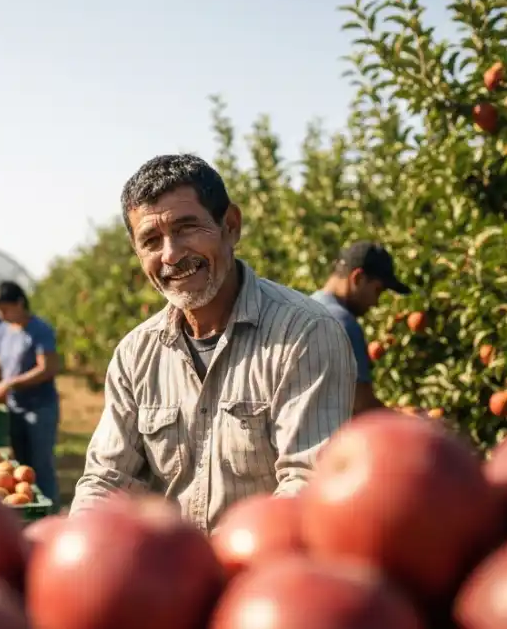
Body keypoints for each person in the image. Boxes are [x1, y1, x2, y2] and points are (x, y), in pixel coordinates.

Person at [70, 154, 357, 531]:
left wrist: (227, 558)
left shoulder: (303, 334)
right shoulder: (135, 355)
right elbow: (106, 478)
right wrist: (84, 544)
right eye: (151, 241)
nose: (171, 254)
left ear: (231, 227)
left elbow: (307, 484)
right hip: (170, 576)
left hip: (261, 573)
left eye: (187, 227)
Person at [0, 281, 61, 506]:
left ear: (20, 303)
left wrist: (10, 384)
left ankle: (50, 510)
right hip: (14, 407)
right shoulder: (2, 329)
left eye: (5, 309)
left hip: (40, 407)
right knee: (19, 468)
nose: (1, 314)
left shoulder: (40, 329)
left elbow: (47, 368)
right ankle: (28, 513)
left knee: (40, 464)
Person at [310, 241, 411, 416]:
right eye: (377, 291)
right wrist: (407, 421)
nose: (375, 302)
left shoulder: (303, 310)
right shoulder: (342, 323)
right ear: (357, 278)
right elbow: (361, 406)